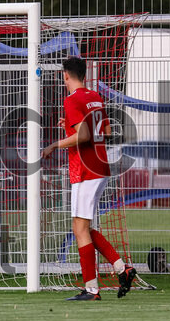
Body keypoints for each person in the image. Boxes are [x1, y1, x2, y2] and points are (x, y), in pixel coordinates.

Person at [41, 56, 136, 300]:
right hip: (100, 166)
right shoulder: (94, 96)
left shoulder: (71, 99)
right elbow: (105, 131)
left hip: (85, 170)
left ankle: (92, 289)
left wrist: (55, 144)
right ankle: (121, 268)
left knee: (79, 228)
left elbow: (83, 136)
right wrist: (71, 127)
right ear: (84, 74)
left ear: (65, 75)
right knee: (83, 227)